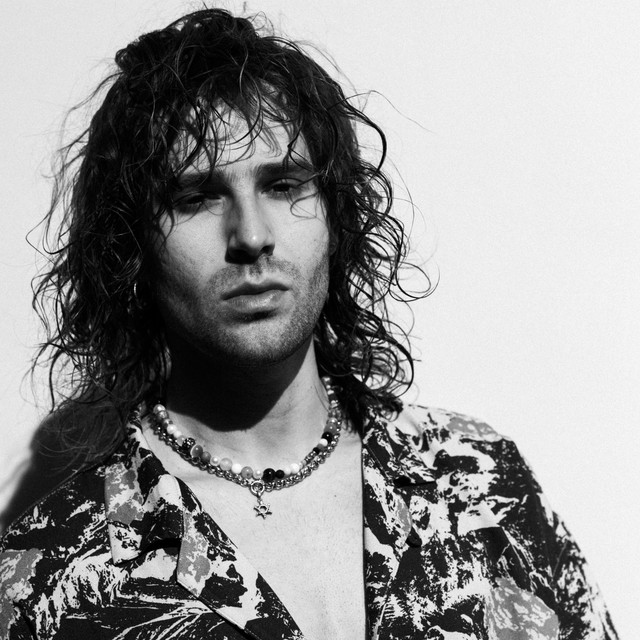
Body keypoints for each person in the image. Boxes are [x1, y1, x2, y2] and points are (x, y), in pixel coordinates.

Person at [0, 8, 617, 640]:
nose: (251, 236)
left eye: (283, 184)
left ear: (335, 216)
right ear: (129, 251)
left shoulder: (477, 482)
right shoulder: (52, 579)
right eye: (195, 197)